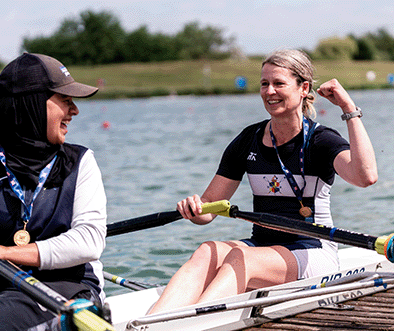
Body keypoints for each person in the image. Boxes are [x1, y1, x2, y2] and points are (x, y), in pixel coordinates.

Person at [148, 49, 378, 314]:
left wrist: (349, 109)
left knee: (241, 258)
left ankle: (191, 322)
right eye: (264, 84)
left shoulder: (320, 140)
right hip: (262, 246)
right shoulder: (249, 139)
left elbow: (366, 177)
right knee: (207, 250)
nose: (270, 91)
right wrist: (194, 208)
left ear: (303, 88)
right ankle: (152, 321)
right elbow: (209, 207)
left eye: (279, 83)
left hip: (313, 250)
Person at [0, 53, 107, 330]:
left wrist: (4, 253)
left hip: (67, 289)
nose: (75, 111)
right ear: (29, 105)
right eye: (65, 101)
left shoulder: (80, 162)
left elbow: (89, 241)